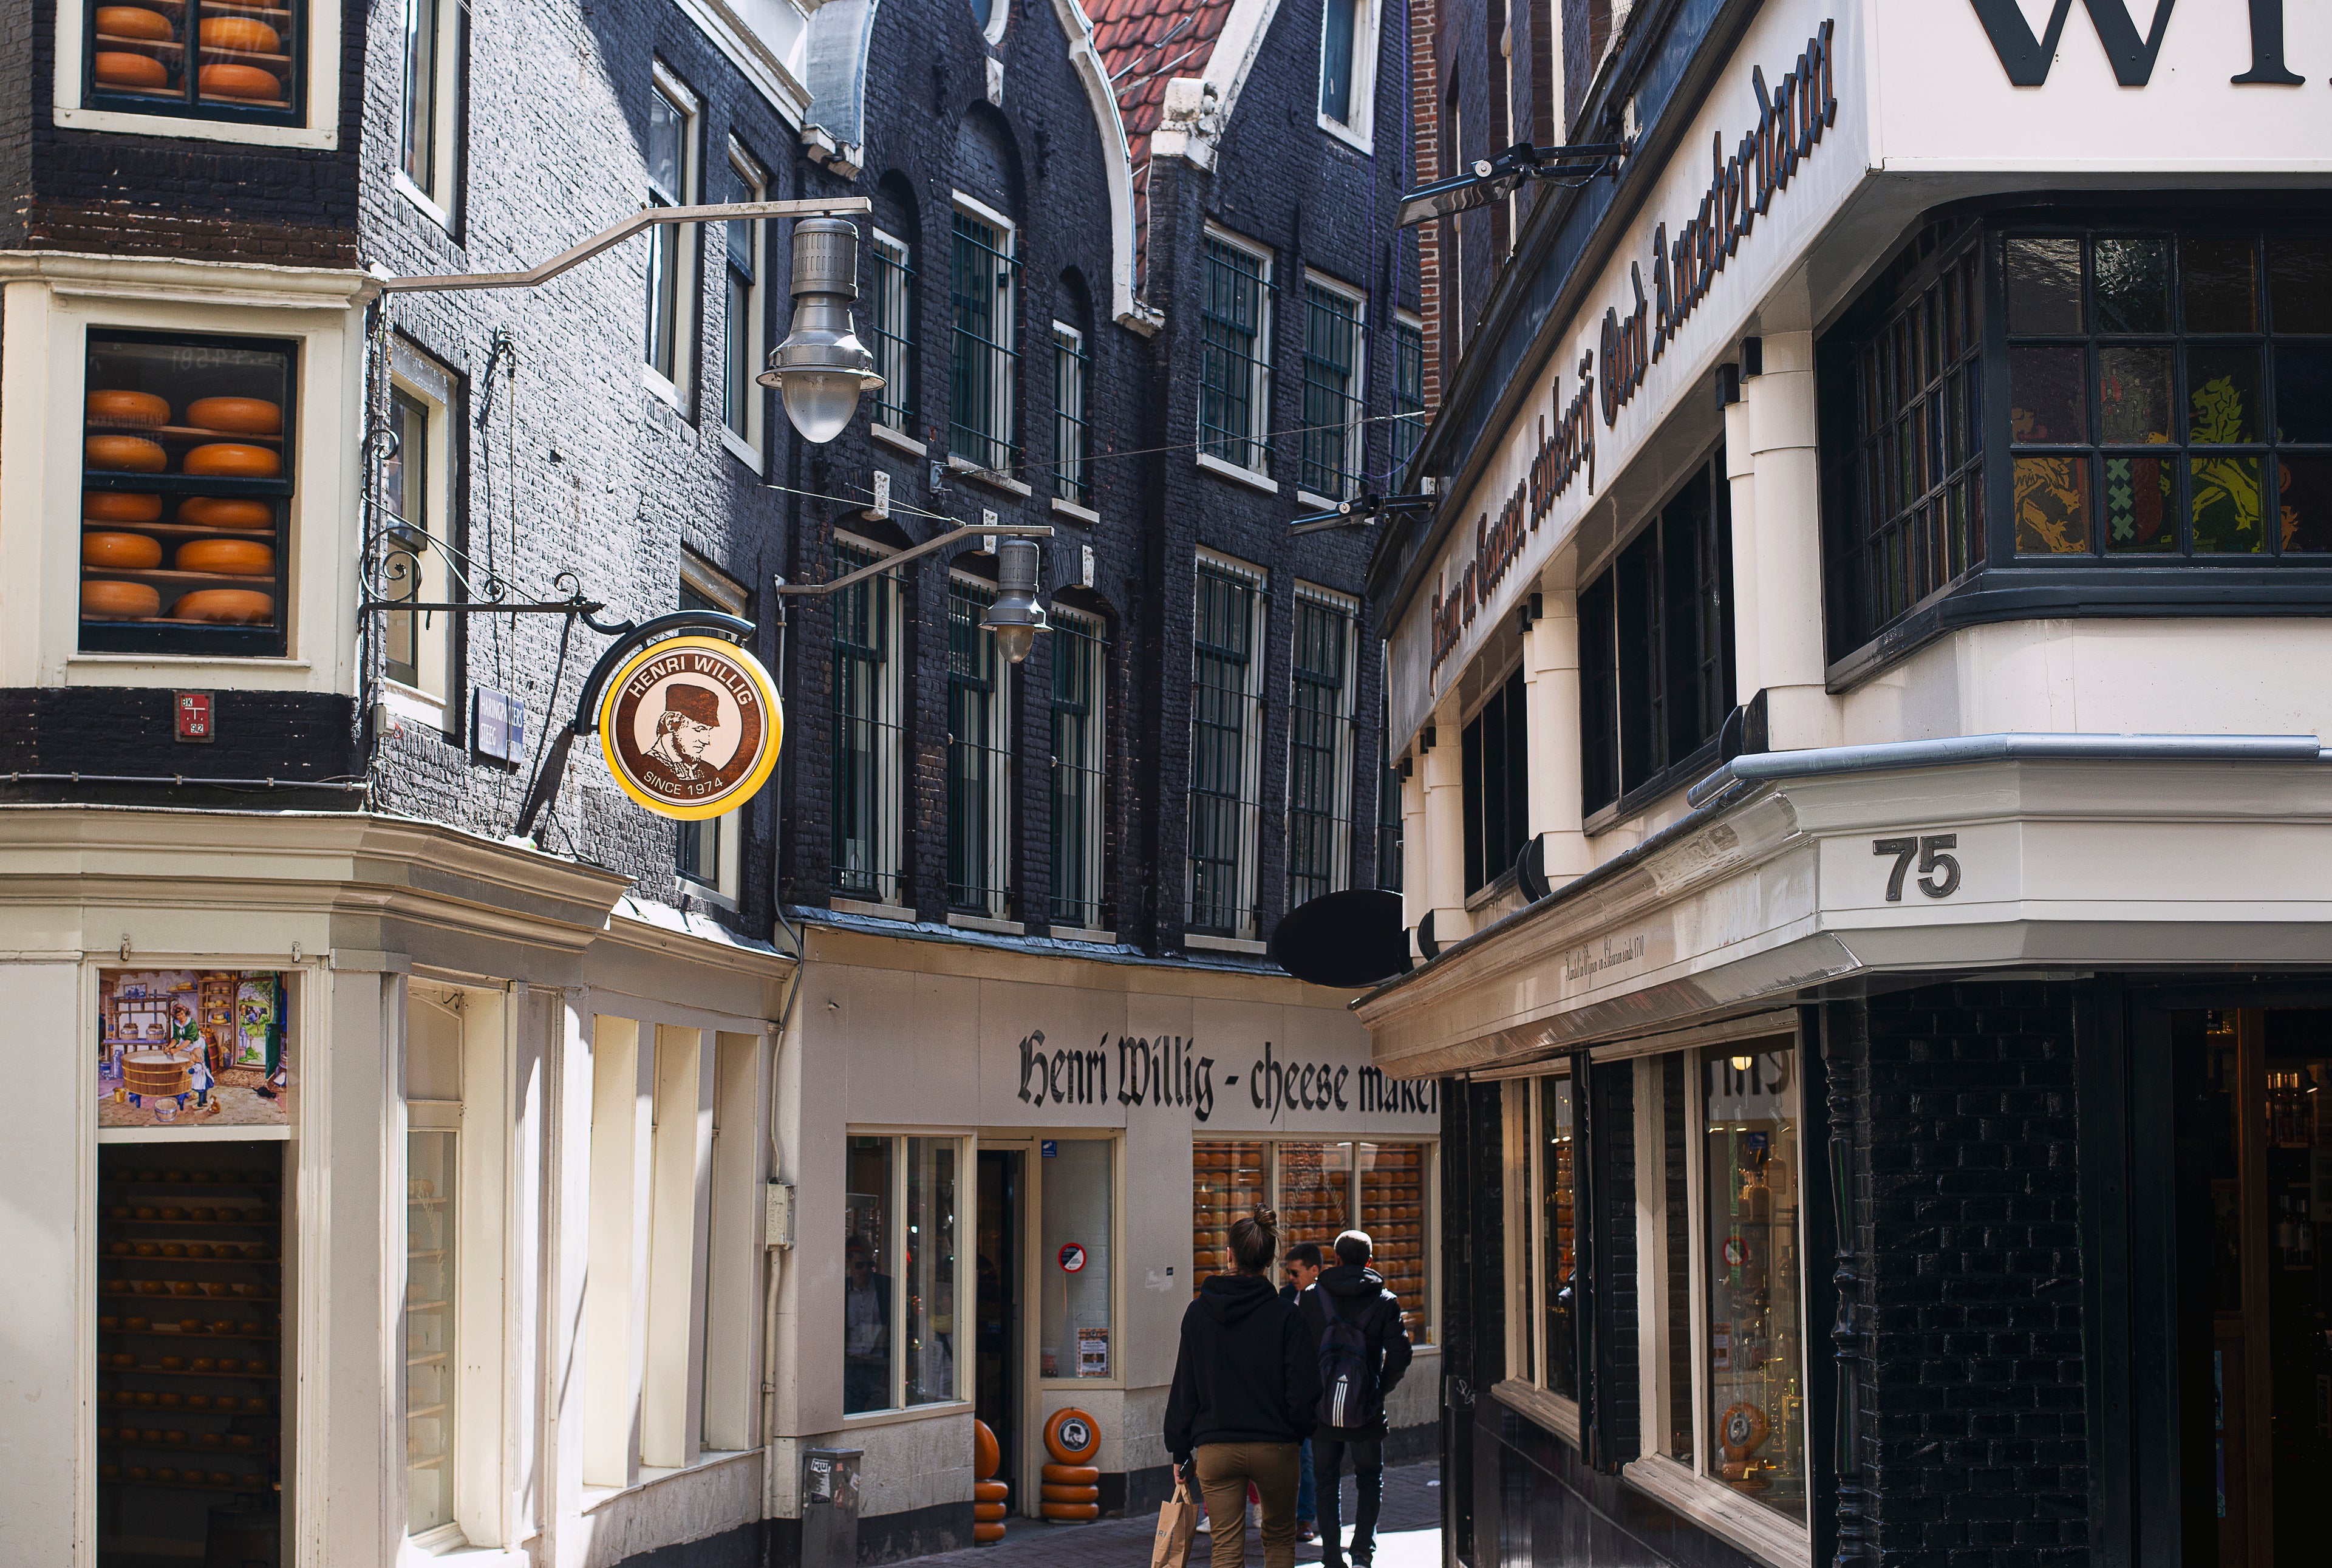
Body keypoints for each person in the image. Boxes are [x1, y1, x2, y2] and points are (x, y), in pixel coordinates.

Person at [1165, 1209, 1320, 1568]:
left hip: (1216, 1446)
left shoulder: (1198, 1314)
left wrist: (1180, 1450)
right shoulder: (1287, 1316)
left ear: (1229, 1255)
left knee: (1226, 1547)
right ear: (1269, 1262)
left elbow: (1186, 1387)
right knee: (1279, 1539)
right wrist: (1296, 1433)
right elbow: (1306, 1387)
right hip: (1276, 1444)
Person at [1301, 1229, 1414, 1568]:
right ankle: (1362, 1552)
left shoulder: (1312, 1297)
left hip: (1324, 1407)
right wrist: (1379, 1390)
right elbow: (1401, 1353)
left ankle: (1331, 1556)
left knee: (1326, 1481)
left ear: (1335, 1259)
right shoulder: (1385, 1301)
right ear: (1369, 1261)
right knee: (1369, 1478)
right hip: (1365, 1407)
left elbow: (1299, 1351)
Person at [1279, 1242, 1326, 1542]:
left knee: (1307, 1458)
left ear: (1315, 1271)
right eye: (1288, 1272)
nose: (1291, 1278)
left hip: (1312, 1389)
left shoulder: (1325, 1301)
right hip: (1284, 1387)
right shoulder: (1284, 1297)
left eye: (1296, 1273)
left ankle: (1304, 1518)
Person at [842, 1235, 893, 1413]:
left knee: (878, 1413)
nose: (865, 1270)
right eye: (859, 1265)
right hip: (851, 1364)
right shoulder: (841, 1290)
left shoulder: (886, 1287)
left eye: (870, 1265)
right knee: (850, 1413)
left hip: (878, 1365)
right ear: (848, 1263)